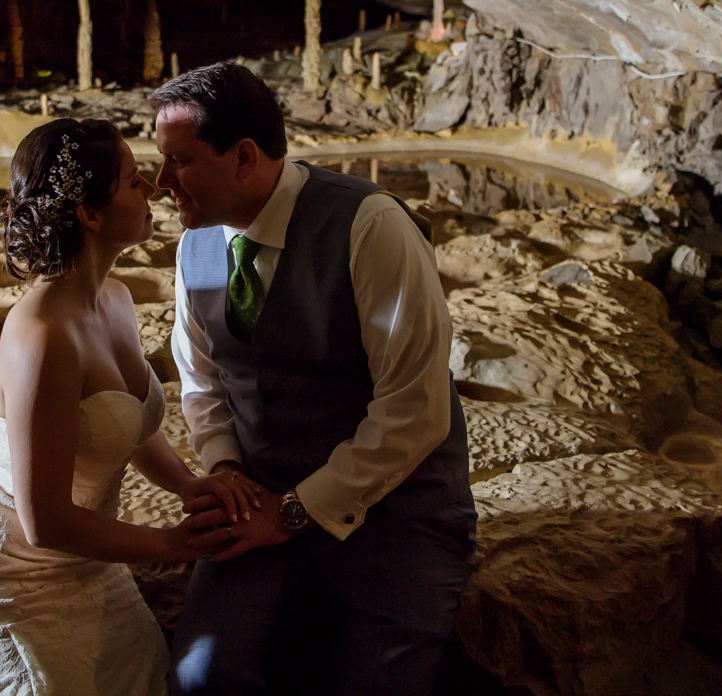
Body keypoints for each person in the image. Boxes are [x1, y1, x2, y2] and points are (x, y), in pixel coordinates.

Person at [151, 62, 477, 696]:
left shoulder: (370, 226)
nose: (162, 182)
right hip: (259, 508)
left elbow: (414, 408)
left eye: (180, 161)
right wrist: (223, 470)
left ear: (244, 158)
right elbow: (202, 380)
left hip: (396, 517)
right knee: (201, 678)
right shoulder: (194, 249)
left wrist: (294, 511)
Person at [0, 117, 262, 696]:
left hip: (87, 563)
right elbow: (43, 521)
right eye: (134, 181)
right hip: (16, 578)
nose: (153, 188)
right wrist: (168, 543)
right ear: (89, 213)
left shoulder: (114, 298)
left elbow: (127, 425)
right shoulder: (41, 336)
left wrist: (187, 485)